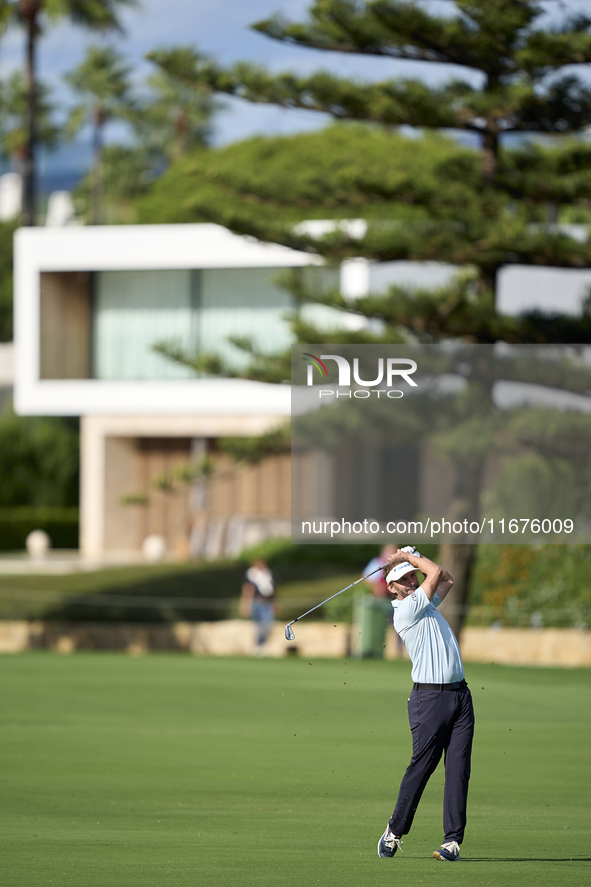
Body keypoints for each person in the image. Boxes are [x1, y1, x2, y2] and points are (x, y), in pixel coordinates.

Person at [377, 546, 475, 863]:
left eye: (411, 577)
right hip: (429, 699)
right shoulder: (405, 610)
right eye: (402, 579)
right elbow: (434, 573)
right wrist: (411, 558)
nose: (409, 582)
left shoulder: (426, 603)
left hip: (460, 697)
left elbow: (446, 577)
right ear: (391, 587)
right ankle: (394, 830)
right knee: (423, 767)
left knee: (459, 770)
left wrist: (411, 555)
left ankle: (452, 841)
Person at [239, 559, 277, 654]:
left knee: (267, 625)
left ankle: (262, 645)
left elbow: (274, 589)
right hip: (256, 602)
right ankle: (259, 646)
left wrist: (275, 602)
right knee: (258, 626)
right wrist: (245, 604)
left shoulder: (269, 574)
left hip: (267, 602)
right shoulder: (251, 575)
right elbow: (247, 589)